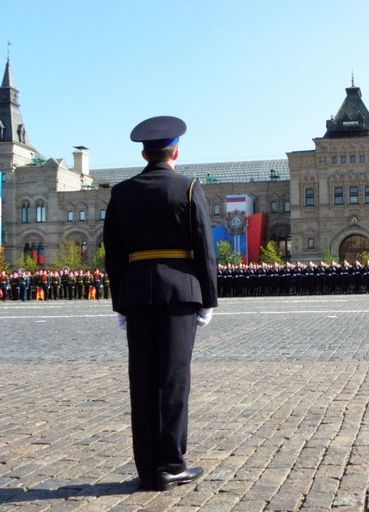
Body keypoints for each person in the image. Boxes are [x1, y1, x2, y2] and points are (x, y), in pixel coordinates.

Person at [103, 116, 218, 492]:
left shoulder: (121, 192)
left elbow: (114, 253)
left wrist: (120, 301)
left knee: (143, 380)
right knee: (173, 380)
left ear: (144, 152)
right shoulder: (188, 188)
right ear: (176, 151)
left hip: (136, 292)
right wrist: (209, 298)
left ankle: (148, 466)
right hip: (180, 292)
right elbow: (204, 246)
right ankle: (170, 464)